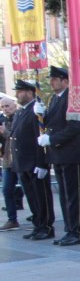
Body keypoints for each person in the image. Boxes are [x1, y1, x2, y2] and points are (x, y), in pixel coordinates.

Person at [41, 66, 80, 246]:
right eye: (51, 79)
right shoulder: (54, 99)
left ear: (65, 81)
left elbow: (74, 127)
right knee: (64, 195)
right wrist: (41, 115)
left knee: (72, 195)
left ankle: (76, 231)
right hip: (59, 155)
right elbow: (53, 122)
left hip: (70, 154)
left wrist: (52, 139)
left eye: (55, 79)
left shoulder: (72, 98)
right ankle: (69, 229)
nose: (51, 82)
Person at [10, 79, 54, 240]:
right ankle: (38, 225)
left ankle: (46, 226)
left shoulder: (36, 111)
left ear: (30, 92)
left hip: (34, 163)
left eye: (20, 91)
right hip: (22, 163)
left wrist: (42, 163)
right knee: (32, 197)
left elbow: (40, 137)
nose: (17, 95)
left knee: (41, 197)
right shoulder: (21, 111)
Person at [0, 96, 23, 231]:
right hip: (8, 161)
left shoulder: (19, 117)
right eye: (2, 107)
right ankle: (12, 219)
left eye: (7, 106)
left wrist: (5, 132)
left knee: (28, 189)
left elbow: (17, 137)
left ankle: (39, 217)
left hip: (20, 160)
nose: (5, 109)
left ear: (14, 105)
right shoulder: (3, 120)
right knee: (7, 190)